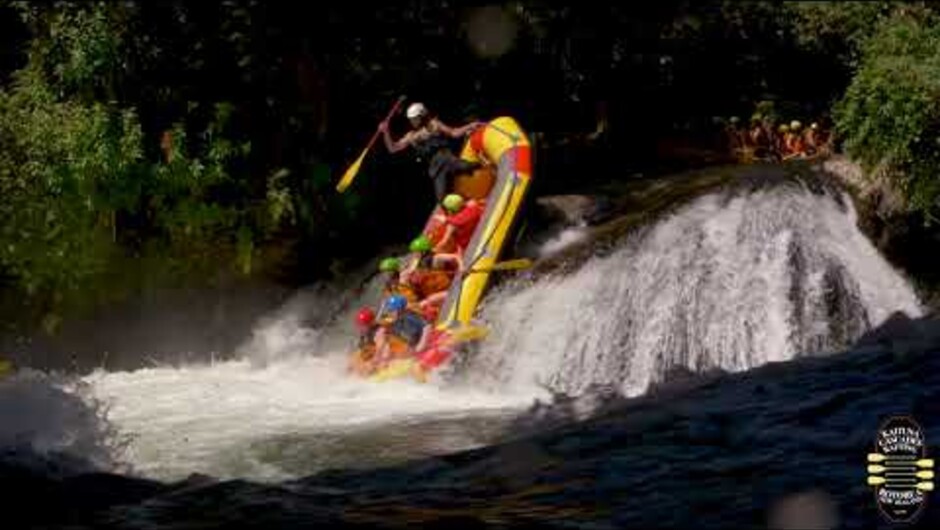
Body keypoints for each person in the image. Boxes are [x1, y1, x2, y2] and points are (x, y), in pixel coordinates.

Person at [378, 102, 485, 203]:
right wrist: (386, 132)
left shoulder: (435, 124)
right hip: (436, 169)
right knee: (441, 199)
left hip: (448, 159)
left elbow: (454, 133)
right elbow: (392, 148)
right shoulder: (411, 136)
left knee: (468, 167)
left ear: (422, 115)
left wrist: (470, 126)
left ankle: (487, 166)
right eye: (411, 119)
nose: (412, 122)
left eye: (414, 119)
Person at [372, 294, 433, 370]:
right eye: (389, 310)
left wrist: (421, 344)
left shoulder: (409, 317)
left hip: (421, 345)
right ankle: (383, 364)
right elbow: (383, 335)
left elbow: (427, 326)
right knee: (387, 348)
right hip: (411, 347)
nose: (389, 312)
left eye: (392, 310)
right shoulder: (393, 321)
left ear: (400, 310)